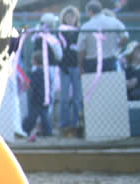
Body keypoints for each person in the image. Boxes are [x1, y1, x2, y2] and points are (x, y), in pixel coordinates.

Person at [77, 0, 129, 73]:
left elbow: (81, 49)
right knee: (111, 84)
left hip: (92, 63)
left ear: (90, 11)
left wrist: (80, 66)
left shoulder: (86, 27)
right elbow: (125, 36)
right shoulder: (114, 21)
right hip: (110, 61)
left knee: (94, 84)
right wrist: (117, 46)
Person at [57, 5, 83, 137]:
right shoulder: (60, 31)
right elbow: (58, 50)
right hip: (65, 68)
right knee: (65, 98)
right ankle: (64, 125)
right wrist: (62, 65)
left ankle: (77, 124)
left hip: (77, 68)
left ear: (76, 18)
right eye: (67, 16)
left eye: (72, 16)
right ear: (64, 18)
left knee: (77, 98)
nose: (70, 18)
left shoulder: (81, 31)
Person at [22, 50, 54, 139]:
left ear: (35, 61)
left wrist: (26, 84)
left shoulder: (35, 73)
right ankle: (48, 131)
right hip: (45, 97)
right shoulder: (46, 73)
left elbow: (32, 85)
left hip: (37, 99)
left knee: (32, 116)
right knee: (44, 115)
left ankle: (25, 129)